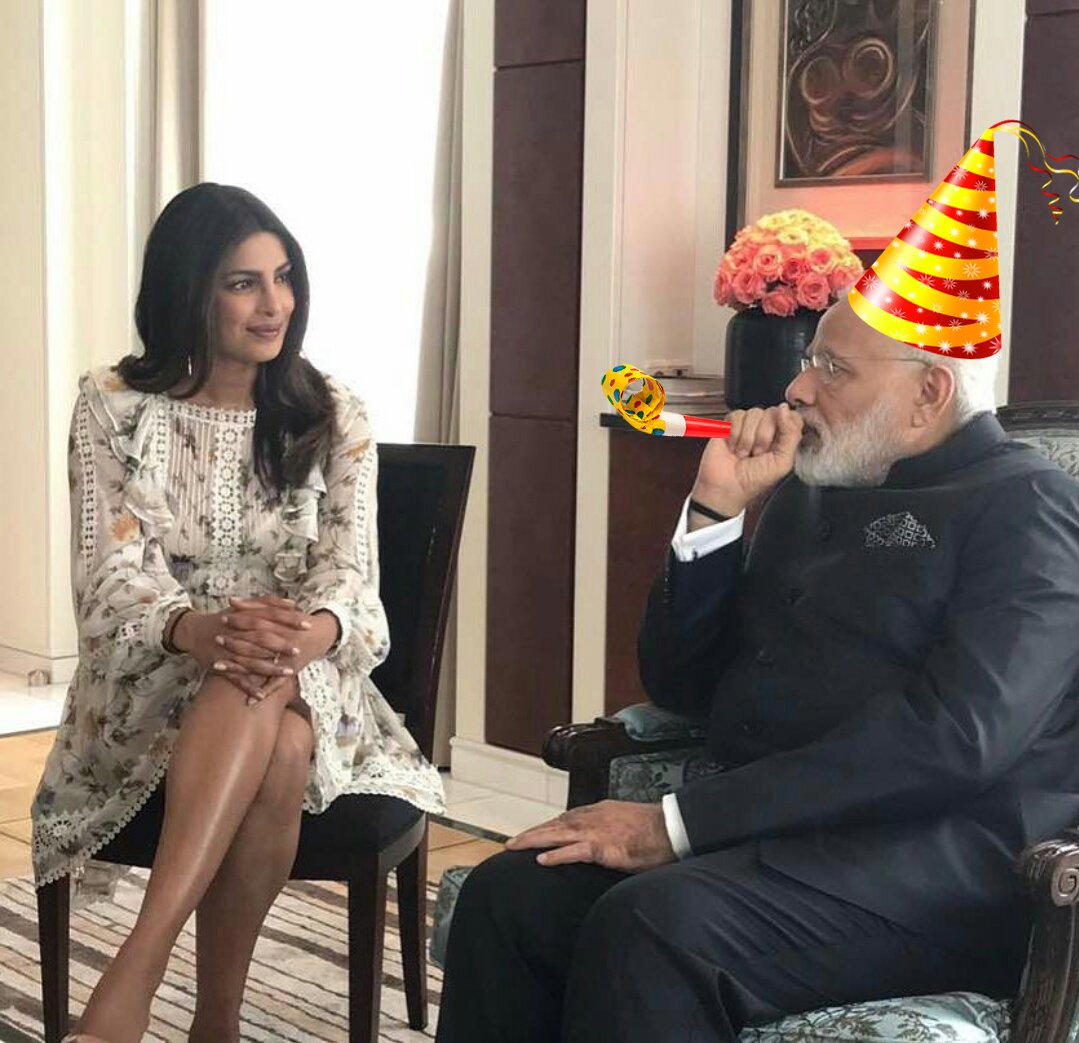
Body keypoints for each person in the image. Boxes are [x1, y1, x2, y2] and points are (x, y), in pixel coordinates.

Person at [435, 297, 1079, 1042]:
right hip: (776, 840)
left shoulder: (1031, 507)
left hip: (937, 875)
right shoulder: (811, 487)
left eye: (832, 367)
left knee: (653, 927)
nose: (798, 388)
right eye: (809, 360)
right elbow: (684, 687)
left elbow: (956, 738)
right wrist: (715, 511)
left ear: (928, 391)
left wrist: (676, 824)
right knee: (512, 894)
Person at [30, 184, 444, 1043]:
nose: (274, 304)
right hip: (148, 681)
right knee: (274, 736)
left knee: (266, 694)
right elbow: (108, 577)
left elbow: (352, 582)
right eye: (242, 283)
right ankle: (212, 1024)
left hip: (305, 675)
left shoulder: (333, 413)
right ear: (188, 289)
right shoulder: (113, 406)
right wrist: (198, 630)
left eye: (283, 277)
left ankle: (131, 983)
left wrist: (306, 634)